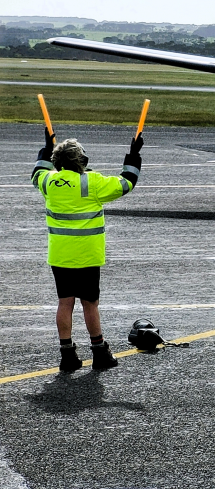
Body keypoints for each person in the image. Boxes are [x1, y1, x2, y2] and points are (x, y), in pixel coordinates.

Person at [31, 131, 142, 372]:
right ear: (81, 161)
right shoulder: (92, 183)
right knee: (90, 304)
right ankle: (99, 351)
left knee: (65, 302)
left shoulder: (49, 183)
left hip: (60, 255)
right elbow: (127, 182)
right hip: (87, 255)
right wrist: (133, 155)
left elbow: (37, 173)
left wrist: (46, 148)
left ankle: (67, 354)